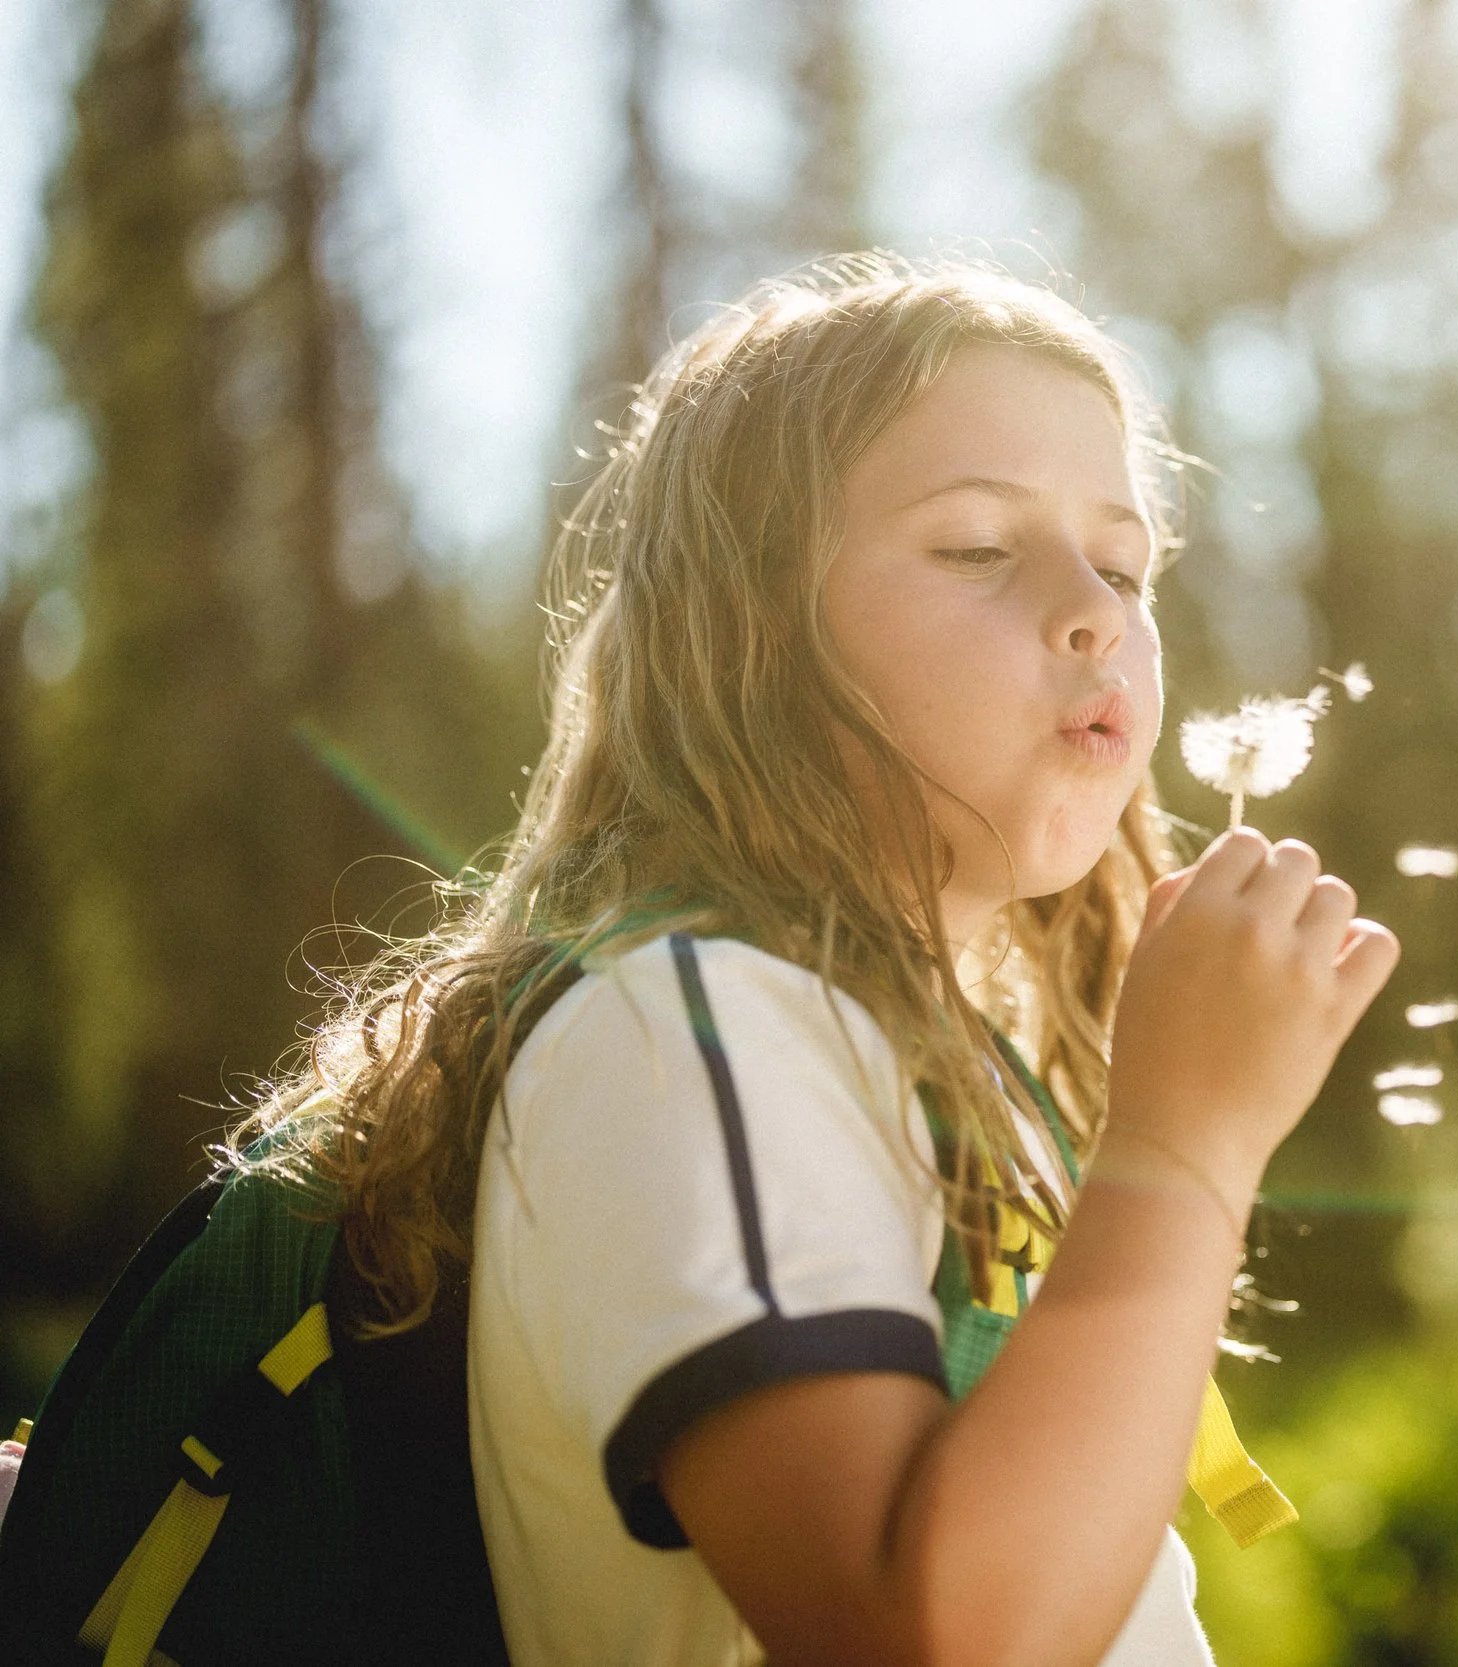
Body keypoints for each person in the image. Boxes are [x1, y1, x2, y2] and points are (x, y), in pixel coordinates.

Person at [231, 256, 1399, 1667]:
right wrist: (1187, 1142)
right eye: (977, 545)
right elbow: (919, 1629)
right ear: (752, 638)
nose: (1094, 607)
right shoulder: (694, 1031)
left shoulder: (900, 1060)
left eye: (1126, 561)